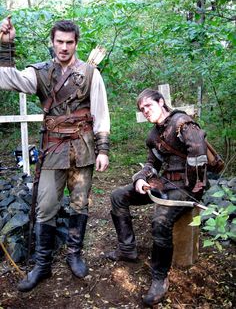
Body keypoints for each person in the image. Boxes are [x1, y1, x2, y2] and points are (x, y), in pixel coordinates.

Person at [0, 17, 110, 292]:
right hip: (52, 150)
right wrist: (6, 46)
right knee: (46, 206)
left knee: (79, 204)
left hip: (83, 149)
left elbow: (101, 112)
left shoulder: (90, 73)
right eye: (59, 41)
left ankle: (74, 255)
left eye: (69, 42)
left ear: (76, 43)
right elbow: (6, 80)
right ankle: (42, 265)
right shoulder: (39, 72)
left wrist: (103, 149)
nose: (63, 47)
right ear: (52, 42)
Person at [106, 88, 207, 307]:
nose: (145, 111)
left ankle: (160, 278)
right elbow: (152, 164)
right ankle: (127, 249)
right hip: (164, 183)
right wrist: (141, 179)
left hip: (186, 187)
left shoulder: (183, 124)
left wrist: (195, 192)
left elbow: (199, 154)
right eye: (142, 109)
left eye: (148, 106)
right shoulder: (154, 135)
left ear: (161, 102)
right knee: (118, 196)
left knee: (160, 222)